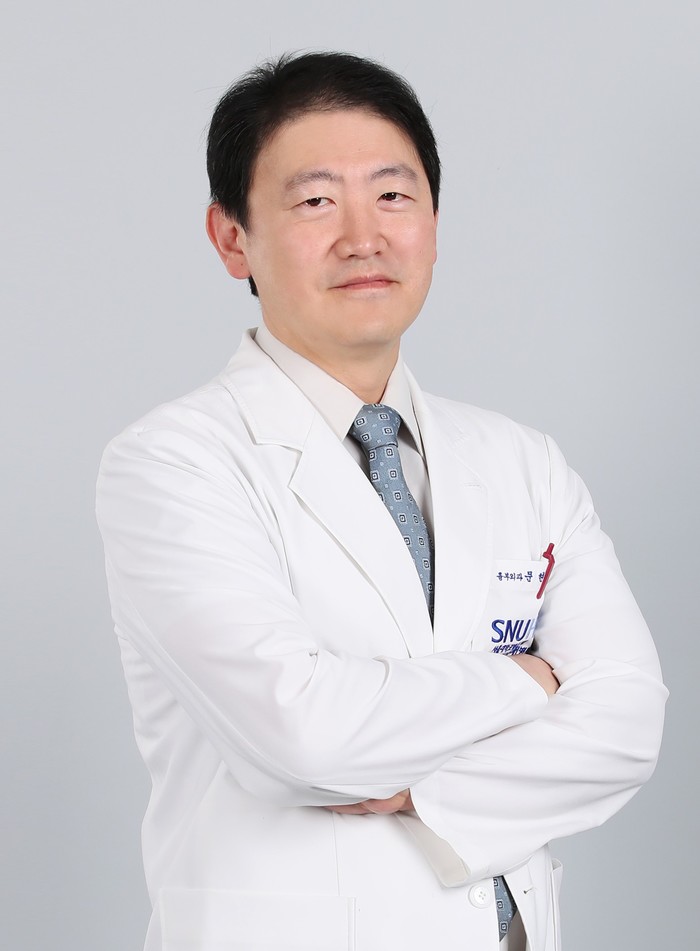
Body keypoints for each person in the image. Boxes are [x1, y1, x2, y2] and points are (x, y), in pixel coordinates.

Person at [96, 51, 667, 951]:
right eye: (316, 201)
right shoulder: (174, 464)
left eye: (394, 195)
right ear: (232, 237)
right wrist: (528, 681)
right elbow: (303, 733)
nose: (364, 237)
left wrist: (425, 787)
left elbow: (628, 722)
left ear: (434, 223)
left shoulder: (523, 461)